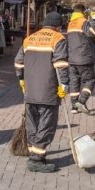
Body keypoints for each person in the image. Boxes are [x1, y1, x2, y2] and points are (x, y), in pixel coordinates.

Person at [15, 11, 70, 173]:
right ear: (58, 26)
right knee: (46, 124)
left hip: (30, 91)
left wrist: (21, 80)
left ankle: (35, 152)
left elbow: (18, 62)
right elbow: (60, 64)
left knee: (32, 124)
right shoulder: (58, 39)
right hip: (48, 91)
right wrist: (65, 85)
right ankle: (36, 160)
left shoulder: (29, 39)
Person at [66, 3, 95, 114]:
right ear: (82, 12)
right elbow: (92, 34)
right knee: (90, 80)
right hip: (84, 59)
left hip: (72, 59)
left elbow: (80, 38)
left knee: (74, 82)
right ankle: (82, 101)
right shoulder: (83, 22)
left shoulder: (70, 24)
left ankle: (74, 107)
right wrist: (94, 20)